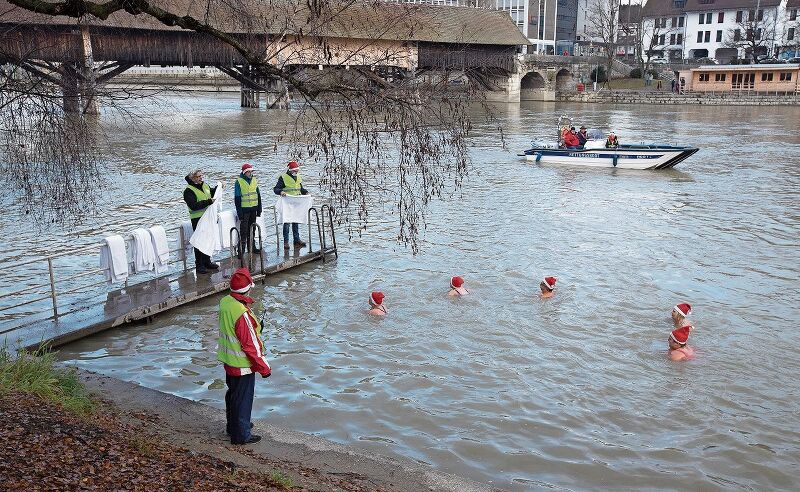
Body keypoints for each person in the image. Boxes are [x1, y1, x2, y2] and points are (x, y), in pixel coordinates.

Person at [218, 268, 271, 445]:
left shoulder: (225, 302)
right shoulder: (242, 313)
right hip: (242, 365)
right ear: (248, 289)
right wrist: (265, 368)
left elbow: (234, 331)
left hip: (228, 361)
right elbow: (250, 345)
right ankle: (241, 435)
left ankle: (233, 426)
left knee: (233, 396)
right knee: (243, 399)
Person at [183, 169, 219, 274]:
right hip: (197, 219)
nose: (201, 178)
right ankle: (199, 265)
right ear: (193, 178)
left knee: (208, 239)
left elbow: (211, 192)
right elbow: (193, 206)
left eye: (201, 176)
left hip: (208, 218)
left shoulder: (205, 185)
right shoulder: (188, 191)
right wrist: (208, 202)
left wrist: (218, 188)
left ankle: (207, 261)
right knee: (199, 242)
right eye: (198, 176)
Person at [274, 161, 309, 249]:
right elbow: (276, 189)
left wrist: (305, 192)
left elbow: (300, 188)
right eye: (295, 171)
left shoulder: (298, 177)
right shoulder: (283, 177)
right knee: (287, 223)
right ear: (291, 170)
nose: (296, 173)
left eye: (297, 171)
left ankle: (296, 240)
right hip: (287, 203)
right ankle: (286, 242)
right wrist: (281, 192)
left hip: (297, 202)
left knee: (296, 221)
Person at [234, 163, 262, 259]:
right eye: (248, 172)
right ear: (244, 172)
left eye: (251, 171)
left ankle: (252, 248)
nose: (250, 173)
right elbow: (237, 198)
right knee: (244, 231)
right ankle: (240, 250)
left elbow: (258, 195)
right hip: (244, 210)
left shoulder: (254, 180)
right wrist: (239, 213)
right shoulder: (239, 182)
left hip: (254, 209)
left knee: (252, 229)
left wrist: (259, 209)